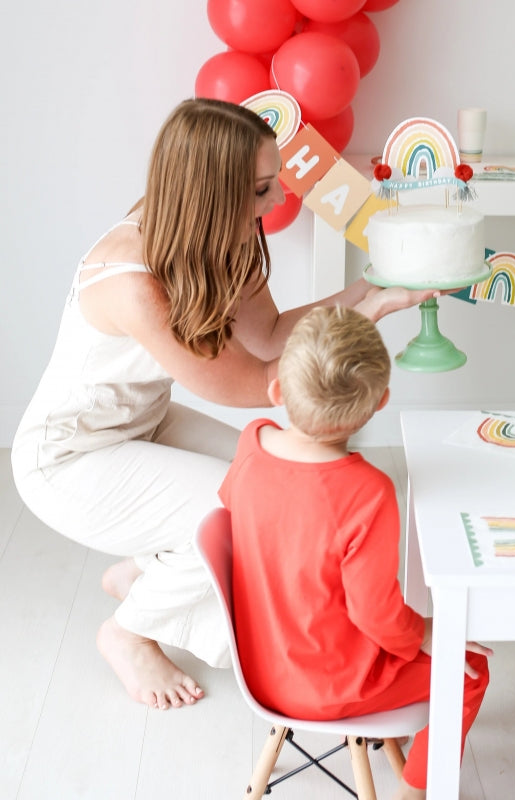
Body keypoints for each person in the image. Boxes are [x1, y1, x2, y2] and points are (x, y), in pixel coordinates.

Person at [10, 98, 439, 711]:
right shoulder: (133, 281)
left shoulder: (223, 236)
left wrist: (371, 288)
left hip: (142, 427)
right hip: (68, 458)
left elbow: (267, 336)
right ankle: (129, 630)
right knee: (240, 513)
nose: (276, 202)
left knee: (263, 489)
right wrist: (367, 314)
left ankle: (143, 576)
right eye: (262, 189)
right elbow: (257, 382)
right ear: (212, 191)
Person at [218, 305, 491, 800]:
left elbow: (230, 511)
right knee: (469, 669)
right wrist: (425, 633)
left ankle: (399, 720)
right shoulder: (367, 492)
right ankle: (415, 791)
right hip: (330, 686)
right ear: (379, 403)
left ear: (277, 390)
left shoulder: (252, 445)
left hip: (259, 669)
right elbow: (377, 615)